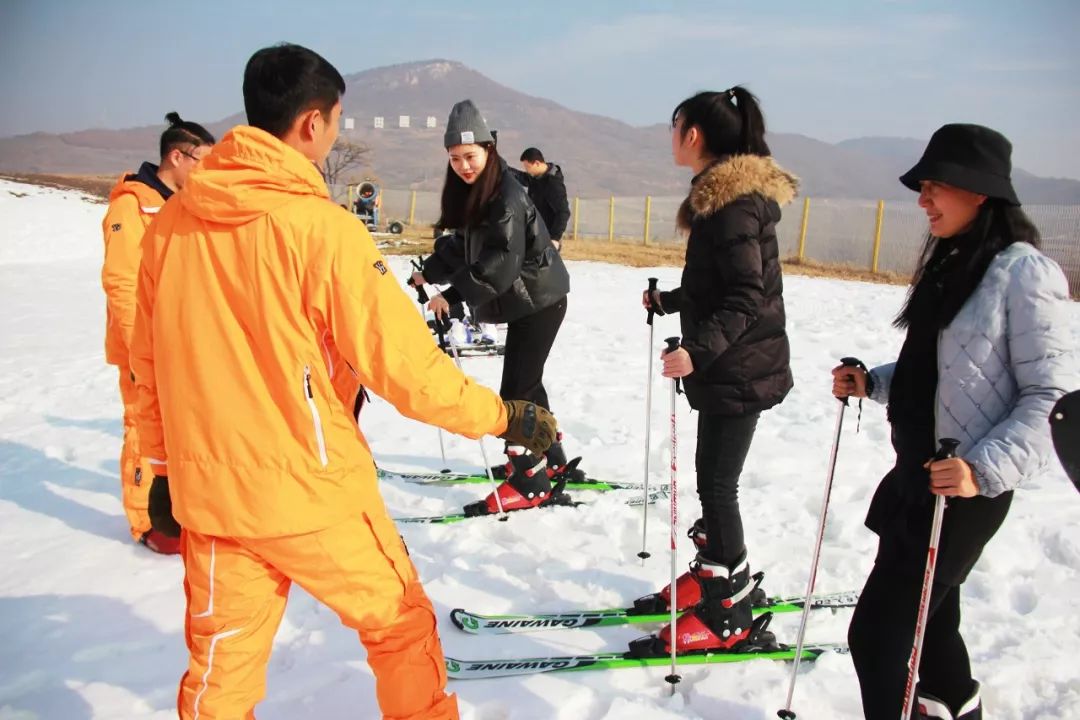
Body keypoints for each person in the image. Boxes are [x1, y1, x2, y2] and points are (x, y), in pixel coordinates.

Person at [129, 44, 556, 720]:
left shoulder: (172, 223)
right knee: (401, 627)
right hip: (309, 487)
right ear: (311, 124)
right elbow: (405, 369)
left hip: (210, 492)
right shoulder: (323, 231)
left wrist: (158, 469)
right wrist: (503, 418)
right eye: (336, 119)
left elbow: (144, 362)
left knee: (221, 672)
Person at [831, 124, 1075, 720]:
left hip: (963, 491)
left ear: (980, 192)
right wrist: (876, 381)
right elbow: (945, 368)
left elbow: (1054, 398)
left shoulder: (1024, 272)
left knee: (879, 637)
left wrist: (979, 469)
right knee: (934, 621)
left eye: (936, 186)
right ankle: (956, 703)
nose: (923, 199)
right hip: (919, 478)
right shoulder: (956, 261)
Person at [634, 87, 797, 657]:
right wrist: (673, 301)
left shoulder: (731, 204)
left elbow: (747, 295)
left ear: (693, 133)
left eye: (674, 125)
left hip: (740, 367)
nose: (671, 135)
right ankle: (712, 570)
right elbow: (720, 284)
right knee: (712, 481)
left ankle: (731, 607)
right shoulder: (720, 197)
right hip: (736, 364)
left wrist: (697, 350)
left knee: (718, 486)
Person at [412, 99, 576, 514]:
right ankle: (551, 459)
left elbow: (500, 261)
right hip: (528, 301)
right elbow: (461, 245)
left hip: (540, 300)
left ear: (489, 149)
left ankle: (529, 480)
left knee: (515, 393)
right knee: (530, 384)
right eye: (455, 158)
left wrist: (451, 296)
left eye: (470, 156)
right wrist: (428, 271)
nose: (464, 165)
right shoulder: (478, 192)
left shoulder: (506, 196)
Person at [100, 112, 214, 555]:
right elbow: (122, 284)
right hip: (143, 348)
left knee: (179, 429)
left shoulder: (181, 203)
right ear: (177, 157)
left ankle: (180, 508)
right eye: (202, 161)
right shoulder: (131, 207)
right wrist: (138, 352)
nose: (206, 171)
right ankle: (150, 523)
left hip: (181, 343)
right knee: (144, 428)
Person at [513, 147, 571, 249]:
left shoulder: (553, 184)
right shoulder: (537, 177)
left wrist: (555, 238)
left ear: (537, 163)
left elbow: (563, 212)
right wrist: (501, 167)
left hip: (547, 239)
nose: (527, 170)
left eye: (528, 167)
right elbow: (521, 177)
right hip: (535, 233)